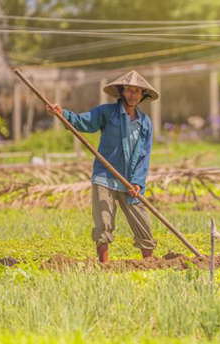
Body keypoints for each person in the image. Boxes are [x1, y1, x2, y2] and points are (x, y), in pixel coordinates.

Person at [46, 70, 159, 263]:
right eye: (129, 90)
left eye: (137, 91)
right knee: (104, 222)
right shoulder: (107, 113)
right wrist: (63, 114)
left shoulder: (145, 123)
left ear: (142, 95)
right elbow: (84, 122)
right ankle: (104, 265)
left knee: (143, 224)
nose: (133, 95)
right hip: (105, 177)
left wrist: (138, 182)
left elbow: (144, 157)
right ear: (122, 92)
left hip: (130, 182)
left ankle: (149, 265)